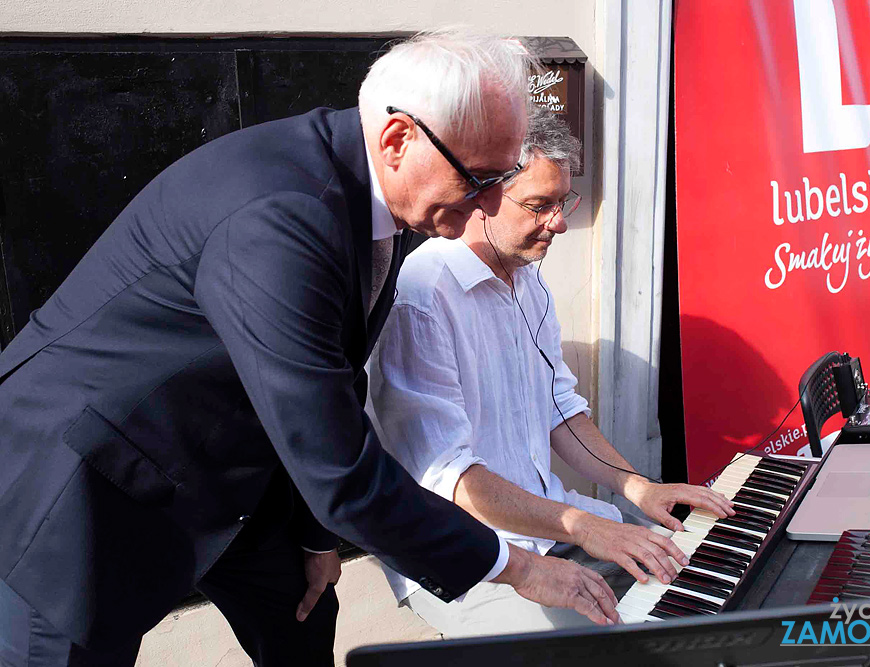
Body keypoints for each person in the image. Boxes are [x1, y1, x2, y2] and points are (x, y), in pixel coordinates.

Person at [0, 32, 620, 667]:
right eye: (479, 178)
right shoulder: (279, 216)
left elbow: (336, 373)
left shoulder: (373, 187)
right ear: (399, 139)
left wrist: (318, 532)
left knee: (301, 618)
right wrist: (515, 567)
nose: (489, 203)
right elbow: (338, 467)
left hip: (243, 468)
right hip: (87, 481)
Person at [370, 106, 735, 638]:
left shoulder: (528, 281)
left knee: (701, 588)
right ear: (482, 197)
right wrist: (586, 527)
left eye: (562, 201)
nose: (558, 222)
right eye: (539, 205)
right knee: (629, 646)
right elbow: (449, 478)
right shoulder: (422, 297)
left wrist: (637, 488)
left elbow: (561, 410)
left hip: (552, 527)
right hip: (471, 556)